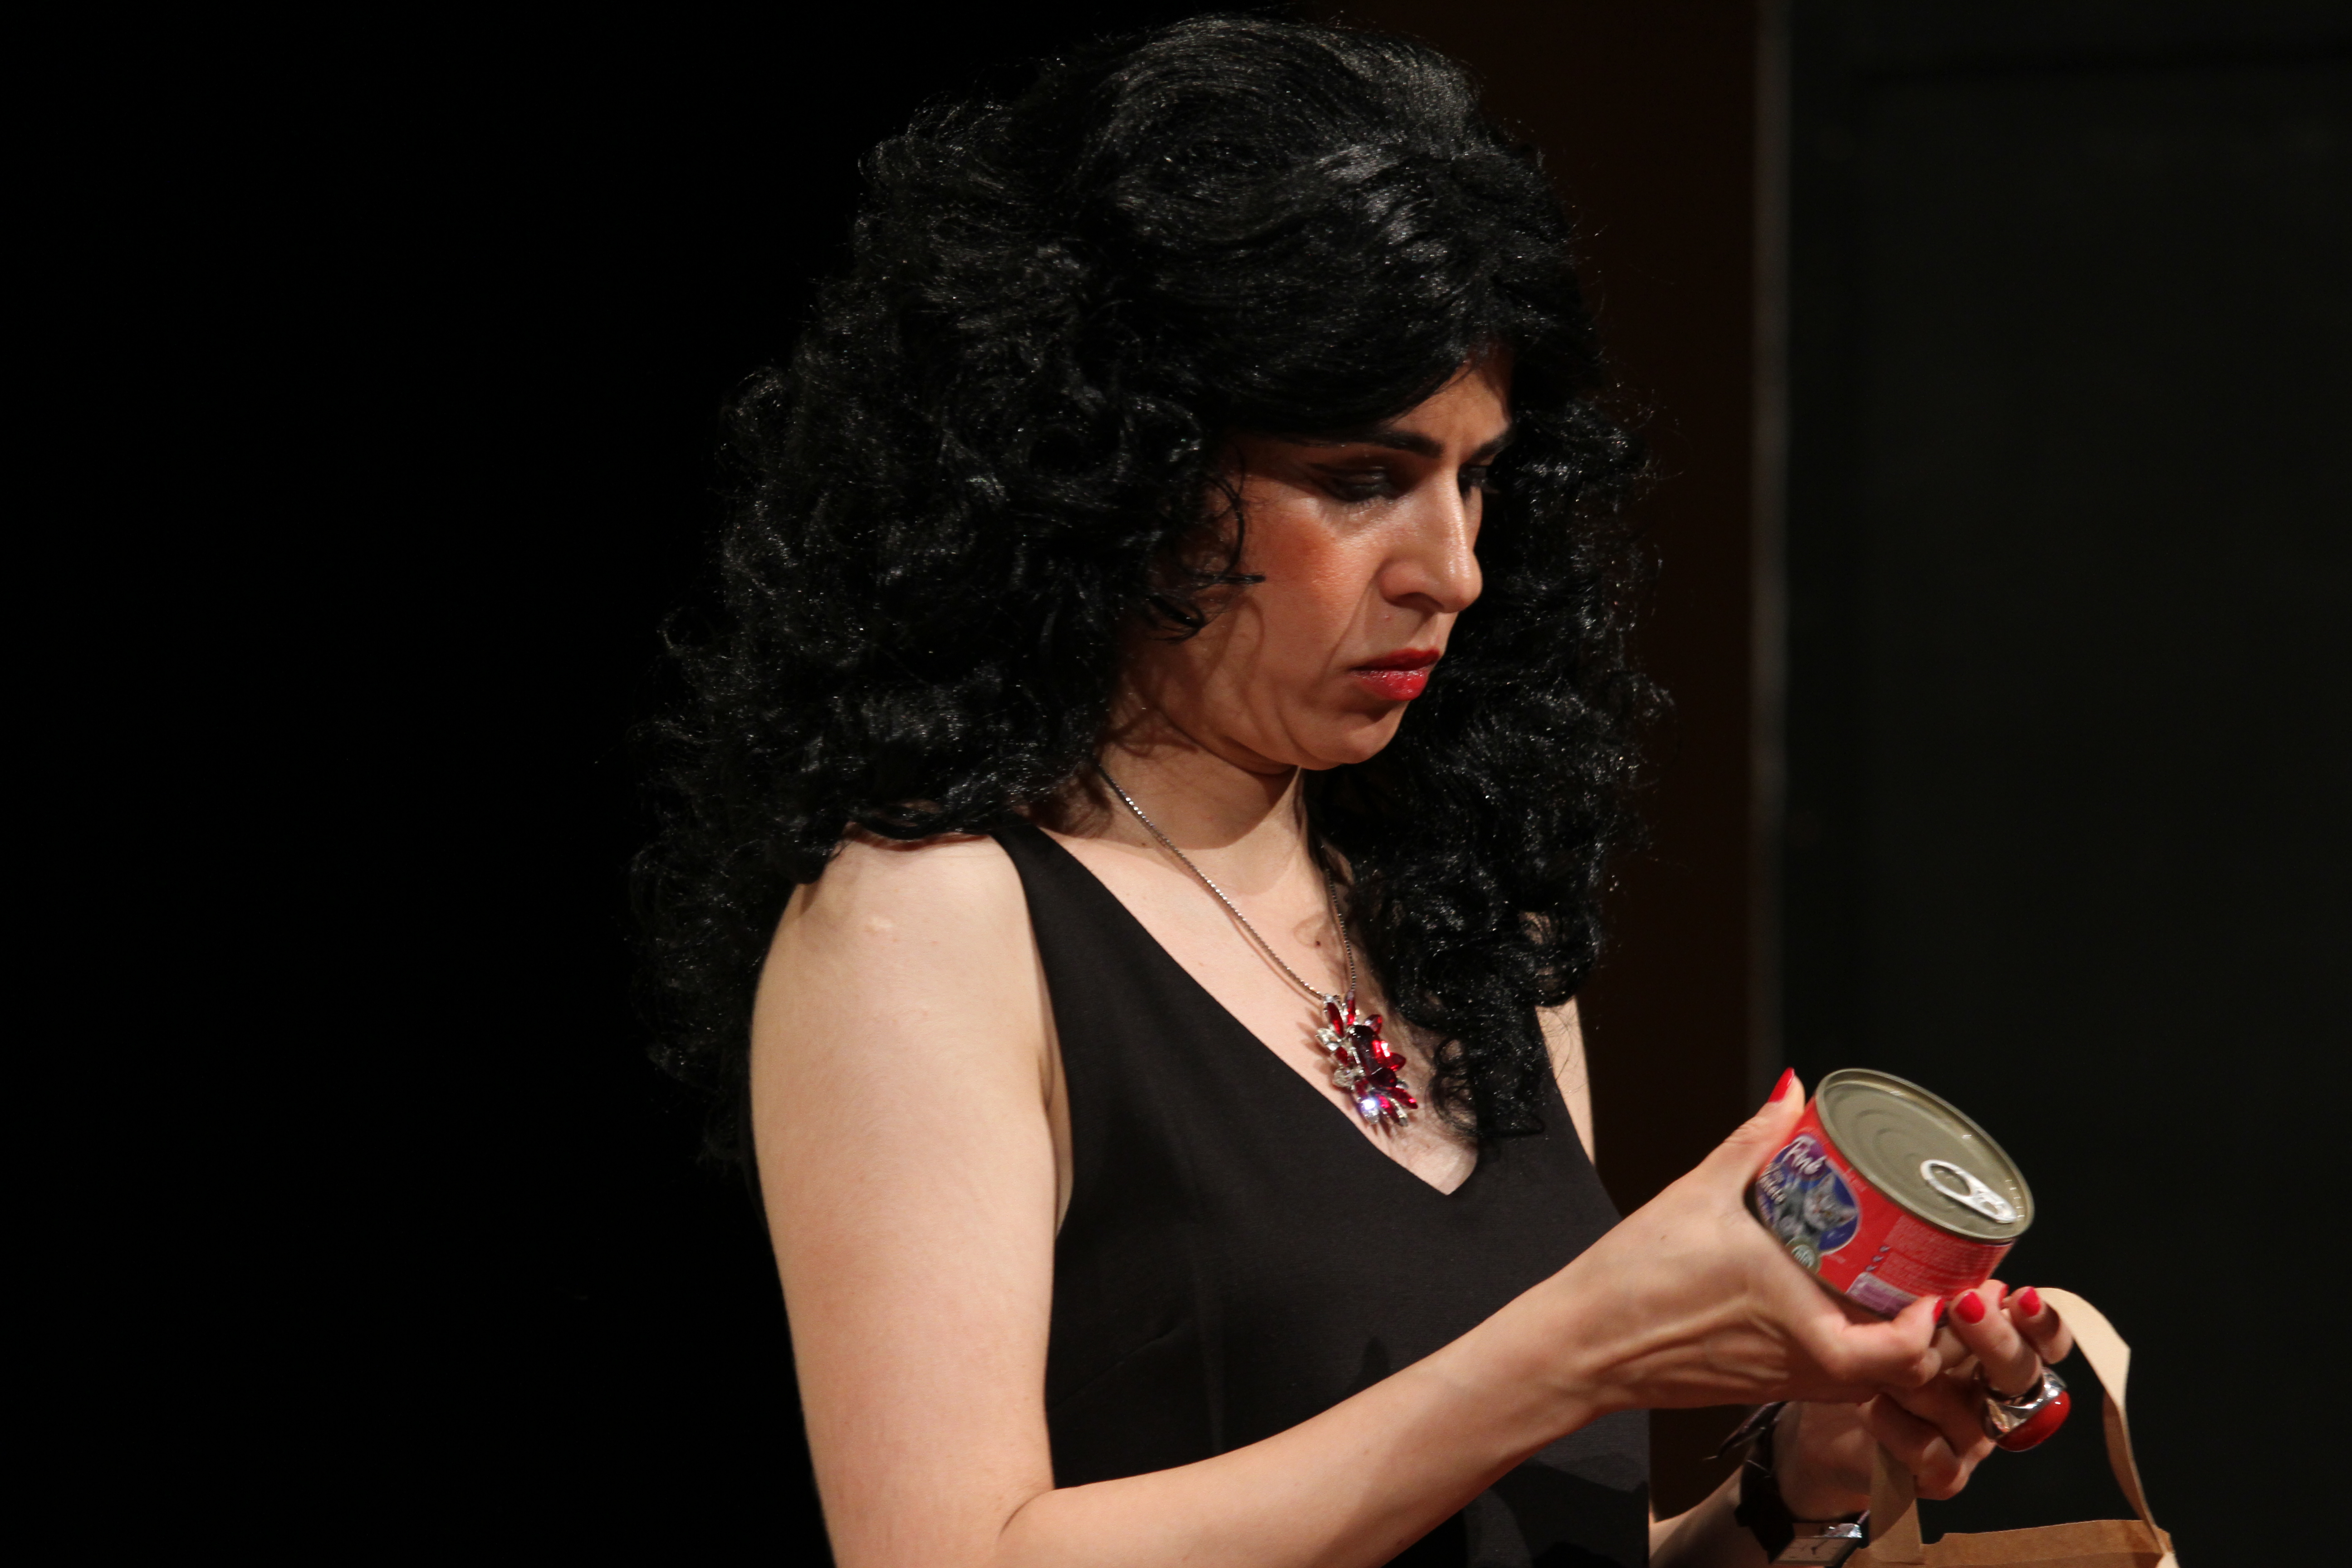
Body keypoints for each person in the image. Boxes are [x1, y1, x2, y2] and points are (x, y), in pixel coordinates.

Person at [637, 16, 2073, 1566]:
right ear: (1115, 469)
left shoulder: (1471, 918)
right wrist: (1582, 1343)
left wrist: (1796, 1491)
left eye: (1479, 478)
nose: (1452, 570)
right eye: (1363, 481)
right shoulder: (928, 926)